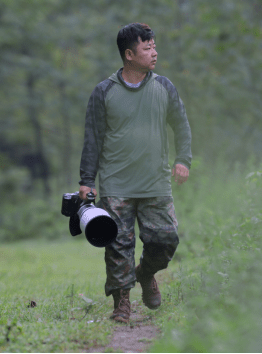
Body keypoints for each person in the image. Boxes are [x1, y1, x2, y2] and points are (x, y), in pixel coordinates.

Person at [78, 23, 192, 323]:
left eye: (154, 46)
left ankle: (145, 273)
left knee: (166, 239)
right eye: (147, 47)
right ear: (129, 54)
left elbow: (181, 125)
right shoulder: (104, 92)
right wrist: (87, 182)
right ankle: (121, 303)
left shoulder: (164, 87)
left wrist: (183, 160)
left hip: (156, 180)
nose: (154, 52)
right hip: (117, 183)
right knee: (118, 246)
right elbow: (93, 139)